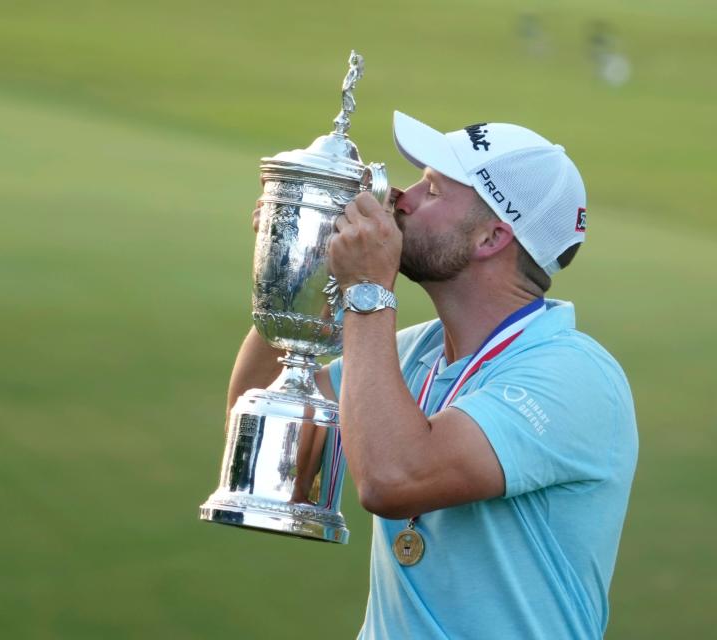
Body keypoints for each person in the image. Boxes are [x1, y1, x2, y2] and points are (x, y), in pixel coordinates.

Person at [227, 111, 638, 639]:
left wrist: (368, 290)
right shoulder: (414, 351)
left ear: (490, 238)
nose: (400, 197)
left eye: (434, 190)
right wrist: (295, 271)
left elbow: (393, 479)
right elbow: (260, 425)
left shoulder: (574, 375)